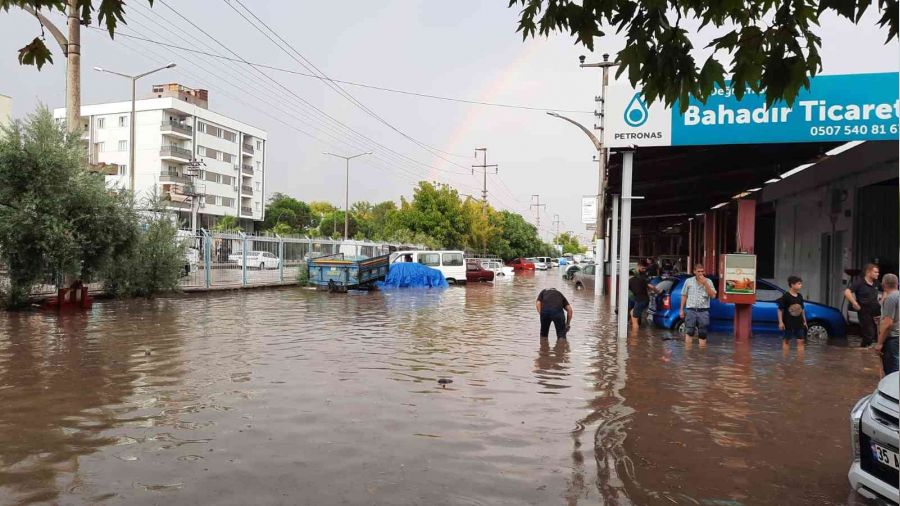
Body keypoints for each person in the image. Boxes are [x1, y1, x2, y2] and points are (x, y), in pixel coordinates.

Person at [844, 263, 881, 347]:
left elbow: (886, 289)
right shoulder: (859, 282)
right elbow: (847, 292)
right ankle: (863, 352)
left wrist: (883, 300)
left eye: (878, 272)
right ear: (868, 272)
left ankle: (867, 354)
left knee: (876, 335)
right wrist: (854, 303)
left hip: (876, 312)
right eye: (875, 272)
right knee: (869, 335)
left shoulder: (876, 283)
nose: (878, 274)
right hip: (864, 312)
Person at [679, 264, 717, 341]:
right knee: (689, 331)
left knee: (703, 333)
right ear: (694, 272)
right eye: (698, 271)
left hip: (703, 311)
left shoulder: (708, 281)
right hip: (691, 310)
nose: (700, 273)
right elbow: (684, 295)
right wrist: (681, 310)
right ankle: (688, 352)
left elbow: (713, 296)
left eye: (702, 271)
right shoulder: (688, 281)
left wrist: (705, 284)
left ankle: (701, 352)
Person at [875, 274, 899, 375]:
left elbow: (888, 324)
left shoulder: (890, 298)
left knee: (892, 372)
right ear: (897, 284)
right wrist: (881, 319)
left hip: (892, 339)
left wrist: (879, 343)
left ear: (883, 285)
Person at [777, 275, 807, 345]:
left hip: (799, 323)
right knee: (786, 341)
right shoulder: (786, 296)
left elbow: (802, 309)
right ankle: (785, 356)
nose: (801, 285)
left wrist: (804, 321)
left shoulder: (800, 296)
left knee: (801, 341)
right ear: (792, 285)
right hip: (788, 323)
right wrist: (781, 322)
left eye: (801, 284)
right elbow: (780, 310)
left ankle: (800, 356)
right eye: (799, 284)